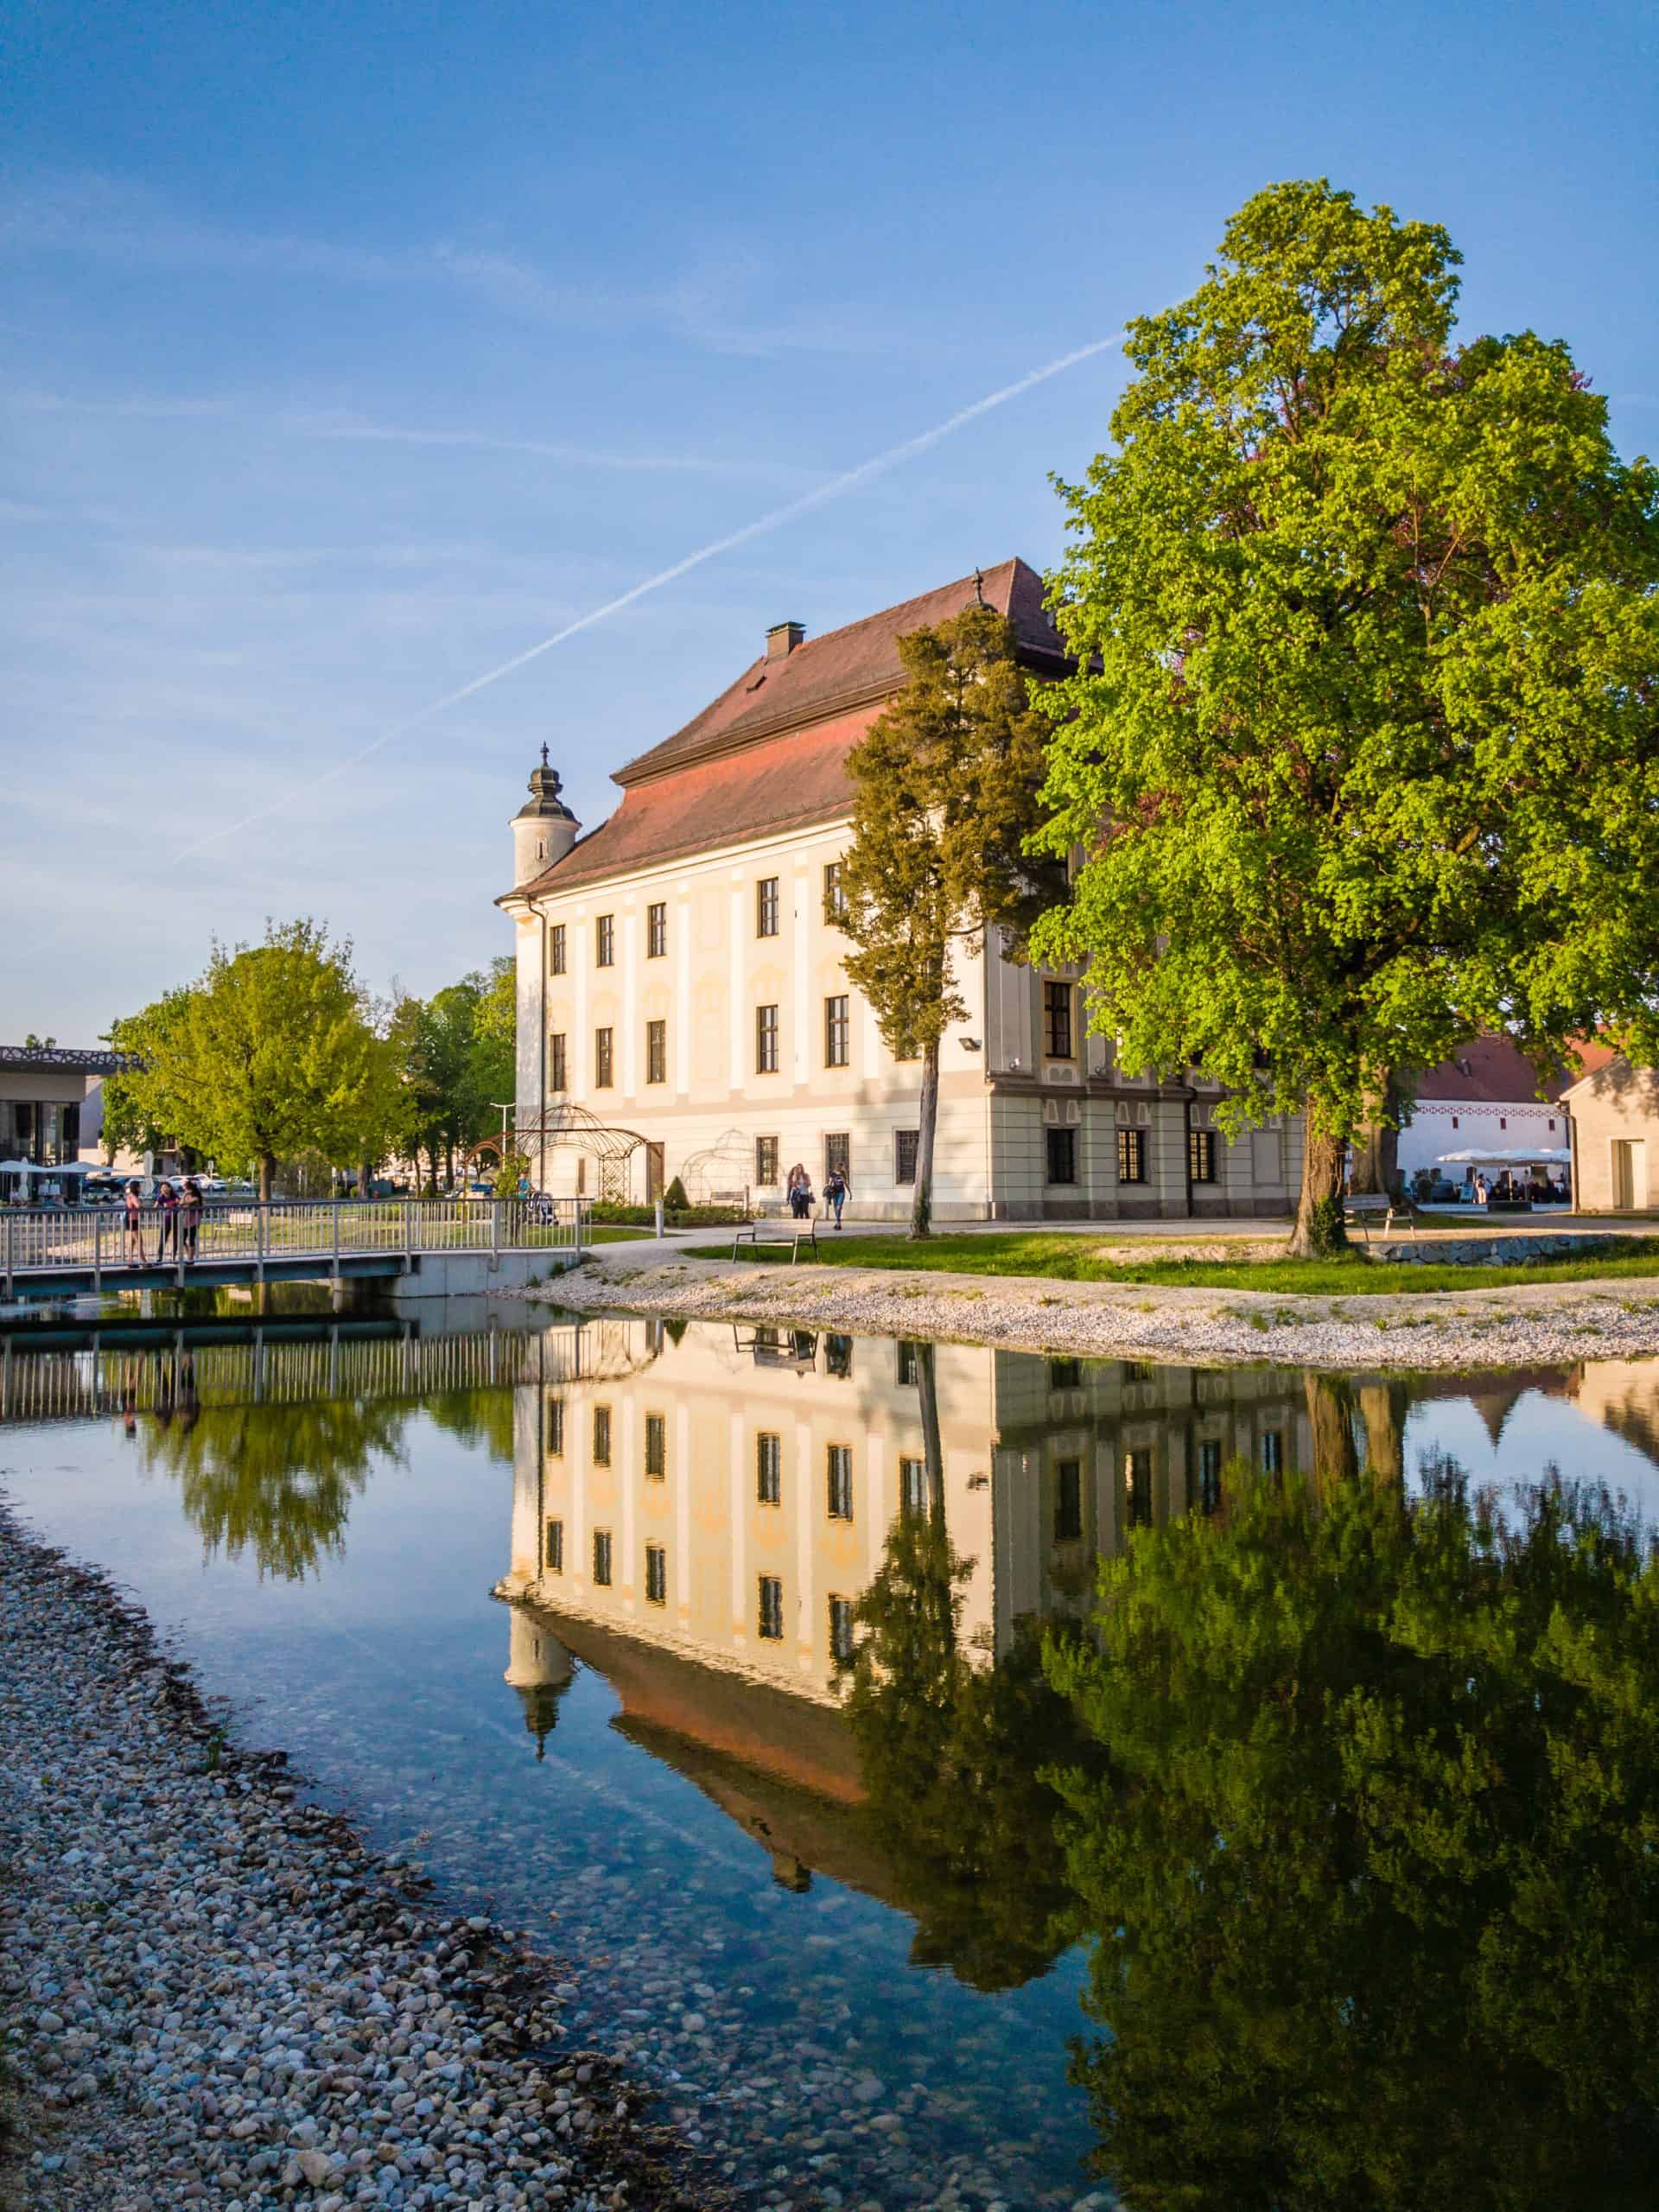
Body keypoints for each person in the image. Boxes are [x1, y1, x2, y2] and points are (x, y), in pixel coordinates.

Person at [156, 1177, 180, 1261]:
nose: (163, 1189)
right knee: (163, 1237)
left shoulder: (174, 1195)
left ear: (170, 1188)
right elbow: (155, 1207)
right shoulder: (161, 1197)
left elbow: (179, 1202)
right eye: (162, 1188)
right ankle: (159, 1256)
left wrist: (178, 1203)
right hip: (166, 1219)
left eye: (165, 1187)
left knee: (176, 1238)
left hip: (176, 1219)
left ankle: (173, 1256)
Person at [180, 1175, 203, 1262]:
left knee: (191, 1239)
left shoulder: (196, 1197)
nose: (185, 1190)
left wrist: (186, 1196)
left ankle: (191, 1258)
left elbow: (187, 1203)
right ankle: (189, 1252)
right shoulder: (186, 1195)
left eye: (186, 1188)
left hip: (194, 1220)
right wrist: (185, 1194)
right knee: (182, 1239)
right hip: (186, 1220)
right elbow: (181, 1203)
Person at [124, 1179, 143, 1266]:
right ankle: (144, 1261)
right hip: (131, 1220)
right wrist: (141, 1203)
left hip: (133, 1219)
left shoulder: (130, 1195)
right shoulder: (132, 1196)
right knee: (139, 1241)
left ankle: (130, 1261)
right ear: (136, 1187)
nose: (141, 1188)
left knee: (133, 1241)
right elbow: (138, 1205)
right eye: (140, 1186)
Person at [823, 1164, 850, 1229]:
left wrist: (850, 1193)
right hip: (834, 1193)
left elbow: (846, 1184)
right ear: (838, 1167)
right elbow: (830, 1183)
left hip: (841, 1192)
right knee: (836, 1208)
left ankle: (838, 1223)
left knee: (838, 1207)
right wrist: (828, 1191)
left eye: (843, 1167)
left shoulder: (843, 1174)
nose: (842, 1168)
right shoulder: (833, 1174)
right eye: (841, 1167)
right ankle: (838, 1222)